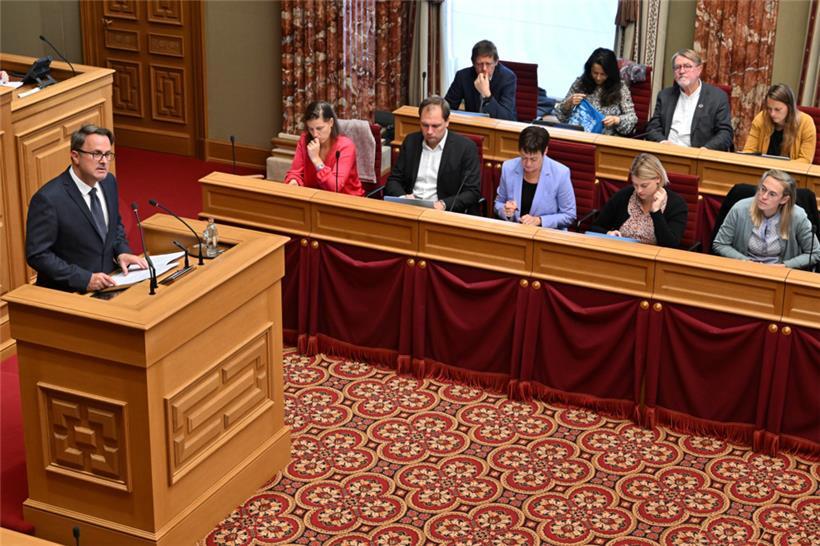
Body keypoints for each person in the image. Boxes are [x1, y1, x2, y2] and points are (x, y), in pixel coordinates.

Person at [25, 124, 147, 293]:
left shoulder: (108, 182)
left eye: (108, 154)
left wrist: (122, 252)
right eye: (96, 154)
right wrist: (84, 279)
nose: (104, 161)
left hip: (110, 284)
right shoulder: (49, 199)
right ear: (75, 156)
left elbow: (115, 225)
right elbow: (37, 255)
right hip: (69, 293)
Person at [385, 95, 481, 212]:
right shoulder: (411, 141)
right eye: (425, 125)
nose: (429, 132)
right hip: (410, 208)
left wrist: (444, 204)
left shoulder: (465, 148)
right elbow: (394, 180)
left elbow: (472, 192)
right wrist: (403, 198)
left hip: (443, 213)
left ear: (447, 122)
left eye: (435, 126)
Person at [713, 170, 819, 269]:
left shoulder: (797, 217)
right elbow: (720, 244)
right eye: (763, 189)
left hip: (780, 274)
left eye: (772, 194)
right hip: (745, 269)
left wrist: (785, 266)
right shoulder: (739, 209)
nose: (763, 196)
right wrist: (744, 261)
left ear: (784, 199)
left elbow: (815, 253)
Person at [588, 153, 688, 247]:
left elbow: (670, 245)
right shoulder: (624, 195)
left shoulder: (676, 204)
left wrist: (656, 212)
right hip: (621, 253)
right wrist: (608, 233)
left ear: (658, 178)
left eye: (644, 185)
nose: (639, 190)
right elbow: (595, 228)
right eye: (635, 185)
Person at [645, 49, 733, 150]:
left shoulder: (717, 97)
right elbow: (653, 127)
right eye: (677, 67)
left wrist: (707, 149)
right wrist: (662, 142)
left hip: (699, 156)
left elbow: (725, 133)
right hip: (667, 152)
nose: (682, 71)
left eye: (687, 66)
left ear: (699, 70)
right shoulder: (665, 95)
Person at [494, 126, 576, 228]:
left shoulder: (561, 173)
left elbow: (569, 215)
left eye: (533, 159)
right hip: (515, 231)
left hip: (546, 235)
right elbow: (498, 203)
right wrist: (506, 212)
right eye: (524, 157)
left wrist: (539, 220)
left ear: (545, 151)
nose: (528, 164)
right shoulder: (508, 167)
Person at [284, 101, 364, 196]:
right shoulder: (304, 140)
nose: (315, 134)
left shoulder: (346, 146)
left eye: (319, 128)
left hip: (347, 201)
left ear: (331, 122)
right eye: (311, 129)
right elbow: (295, 173)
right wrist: (293, 182)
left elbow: (335, 187)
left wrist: (316, 160)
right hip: (315, 198)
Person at [552, 48, 637, 136]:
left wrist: (616, 120)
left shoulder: (620, 88)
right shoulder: (580, 83)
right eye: (595, 73)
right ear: (589, 70)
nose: (598, 78)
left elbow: (632, 118)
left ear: (611, 73)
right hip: (578, 136)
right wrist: (568, 104)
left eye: (603, 74)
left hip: (606, 139)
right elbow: (560, 116)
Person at [444, 40, 517, 121]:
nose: (484, 69)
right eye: (479, 64)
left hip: (499, 127)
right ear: (473, 63)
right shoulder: (463, 76)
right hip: (473, 125)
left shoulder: (507, 78)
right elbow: (446, 109)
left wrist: (487, 95)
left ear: (496, 62)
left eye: (488, 64)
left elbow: (506, 117)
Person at [742, 84, 817, 163]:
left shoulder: (806, 123)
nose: (772, 114)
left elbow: (805, 160)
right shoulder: (761, 119)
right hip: (763, 171)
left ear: (789, 107)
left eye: (777, 109)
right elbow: (748, 152)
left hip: (790, 173)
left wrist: (781, 167)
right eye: (769, 109)